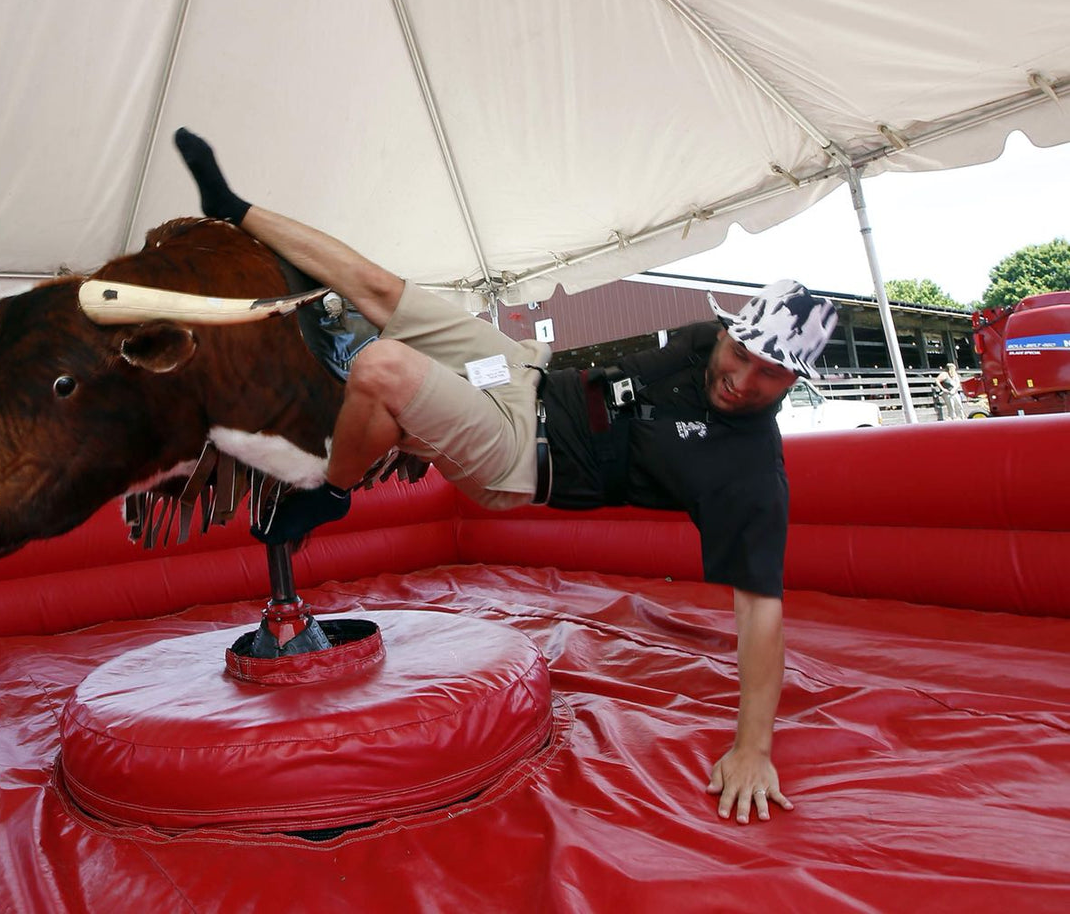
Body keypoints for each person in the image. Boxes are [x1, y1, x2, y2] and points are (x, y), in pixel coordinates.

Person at [174, 128, 839, 826]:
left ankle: (329, 492)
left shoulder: (745, 471)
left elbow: (759, 612)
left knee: (382, 368)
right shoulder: (707, 340)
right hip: (526, 373)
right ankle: (232, 204)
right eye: (741, 352)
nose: (741, 378)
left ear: (796, 379)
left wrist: (752, 748)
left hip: (522, 460)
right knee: (380, 290)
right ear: (730, 331)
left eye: (770, 373)